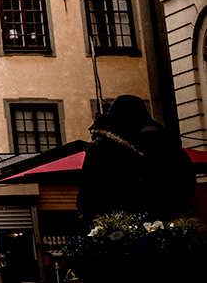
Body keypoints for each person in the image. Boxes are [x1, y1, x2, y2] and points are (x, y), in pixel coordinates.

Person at [78, 94, 196, 222]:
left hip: (119, 224)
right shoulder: (164, 142)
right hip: (159, 221)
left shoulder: (103, 147)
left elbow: (88, 191)